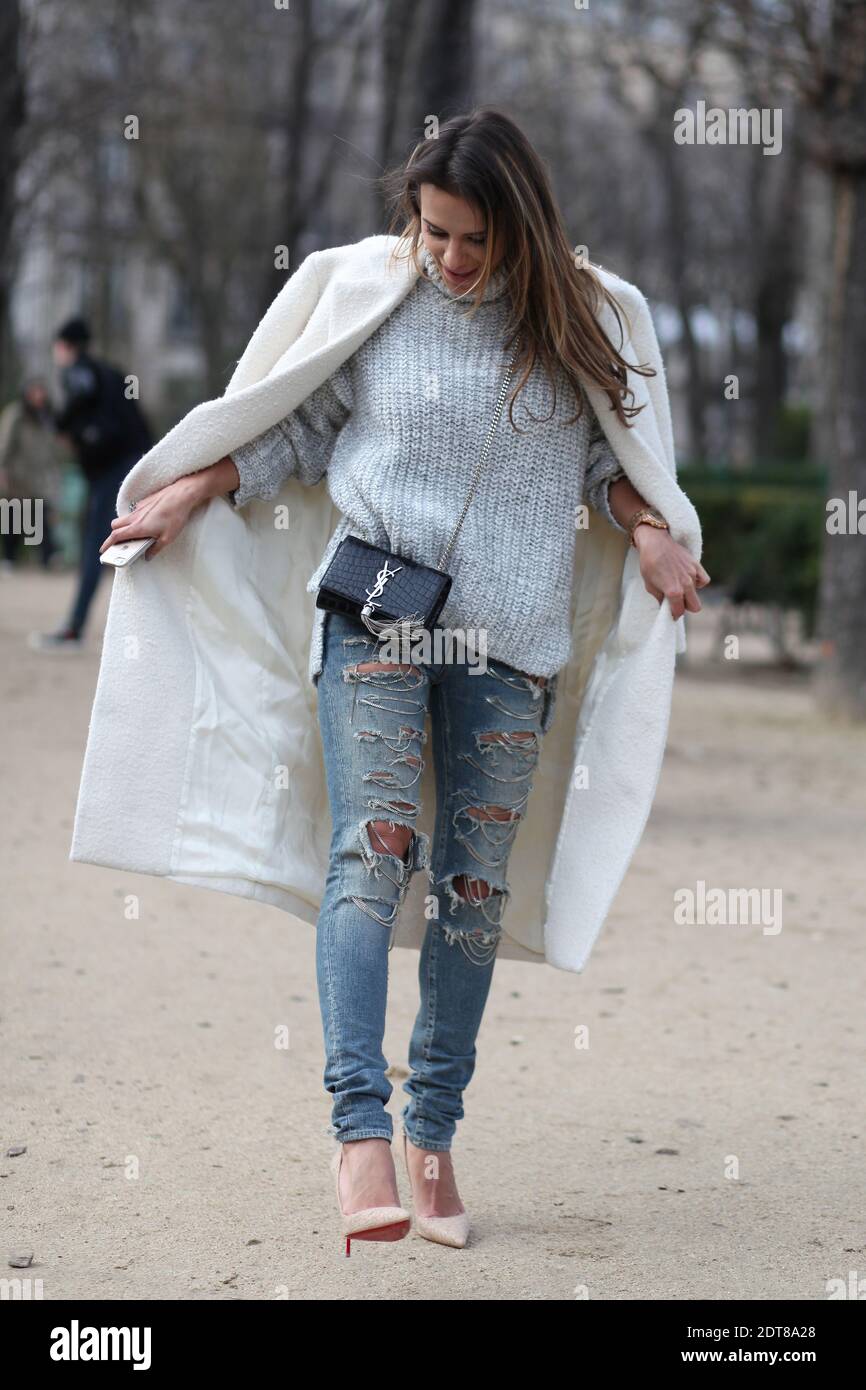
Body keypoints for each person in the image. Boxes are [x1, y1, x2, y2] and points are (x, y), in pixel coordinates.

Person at [88, 108, 709, 1252]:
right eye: (435, 233)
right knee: (371, 852)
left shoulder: (575, 322)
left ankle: (432, 1134)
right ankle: (359, 1136)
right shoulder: (375, 298)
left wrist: (651, 528)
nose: (452, 259)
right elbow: (300, 426)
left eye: (475, 239)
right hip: (374, 612)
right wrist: (193, 484)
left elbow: (601, 458)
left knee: (472, 900)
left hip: (509, 647)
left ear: (520, 229)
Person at [28, 317, 153, 650]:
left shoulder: (80, 372)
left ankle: (74, 628)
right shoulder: (110, 373)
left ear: (65, 346)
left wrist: (70, 429)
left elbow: (72, 419)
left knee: (98, 547)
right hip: (138, 464)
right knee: (134, 545)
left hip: (117, 470)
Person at [0, 378, 65, 572]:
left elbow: (51, 447)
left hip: (38, 478)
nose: (39, 396)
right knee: (13, 519)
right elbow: (5, 443)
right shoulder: (16, 414)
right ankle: (9, 558)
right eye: (35, 391)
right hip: (17, 476)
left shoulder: (45, 417)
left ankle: (48, 557)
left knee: (41, 517)